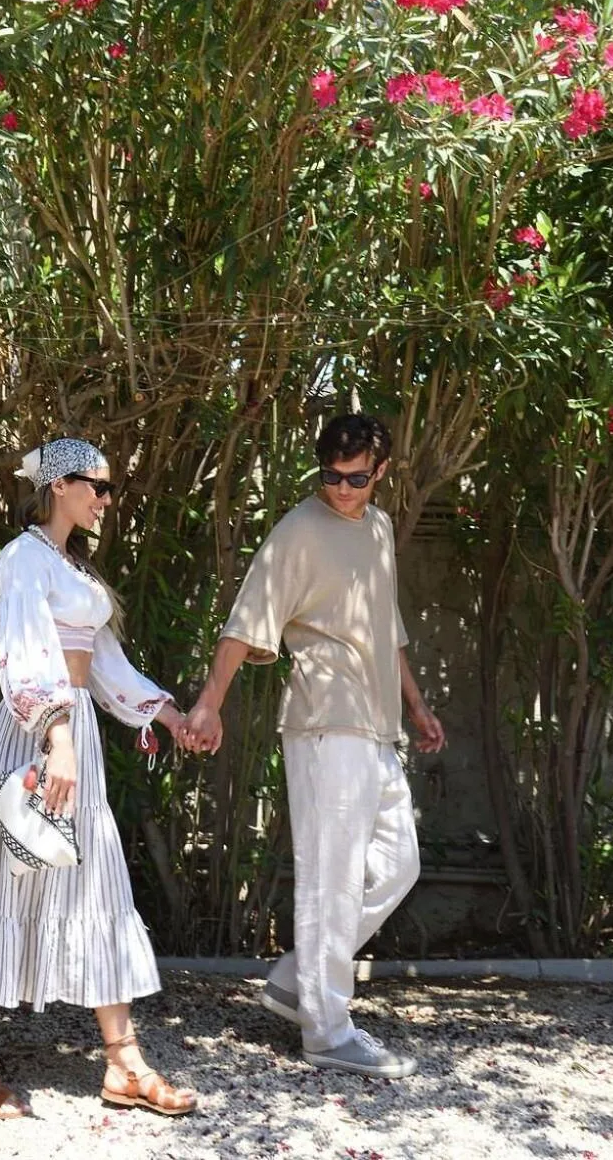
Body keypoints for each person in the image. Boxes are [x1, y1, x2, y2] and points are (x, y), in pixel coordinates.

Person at [0, 437, 197, 1120]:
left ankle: (124, 1062)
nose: (106, 501)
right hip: (34, 741)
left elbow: (104, 665)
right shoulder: (22, 559)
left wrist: (172, 716)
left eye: (108, 490)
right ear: (60, 485)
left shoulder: (74, 569)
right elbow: (26, 658)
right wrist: (57, 738)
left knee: (94, 886)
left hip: (75, 745)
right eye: (98, 487)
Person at [180, 413, 444, 1078]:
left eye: (356, 477)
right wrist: (210, 701)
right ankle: (327, 1030)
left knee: (398, 865)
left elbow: (388, 627)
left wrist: (416, 706)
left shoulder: (378, 529)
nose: (343, 488)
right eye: (331, 475)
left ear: (380, 472)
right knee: (333, 880)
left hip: (376, 725)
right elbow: (246, 620)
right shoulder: (299, 530)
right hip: (325, 723)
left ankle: (299, 980)